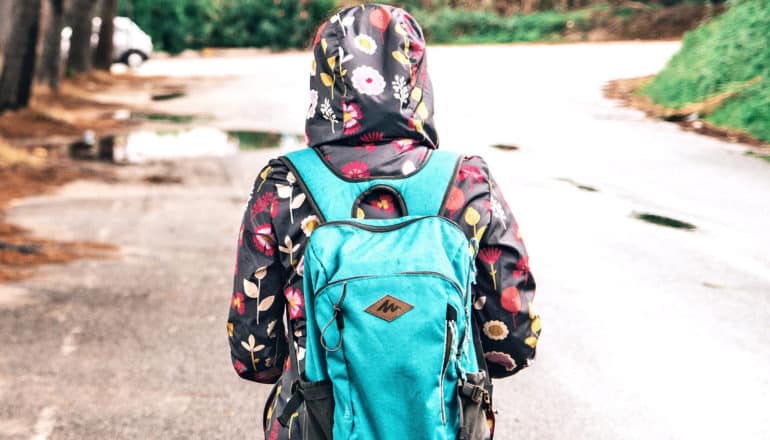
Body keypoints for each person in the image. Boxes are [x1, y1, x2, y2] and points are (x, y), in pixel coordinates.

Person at [227, 4, 540, 437]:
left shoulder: (283, 184)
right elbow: (513, 345)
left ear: (324, 77)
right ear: (415, 75)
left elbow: (254, 356)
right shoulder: (467, 180)